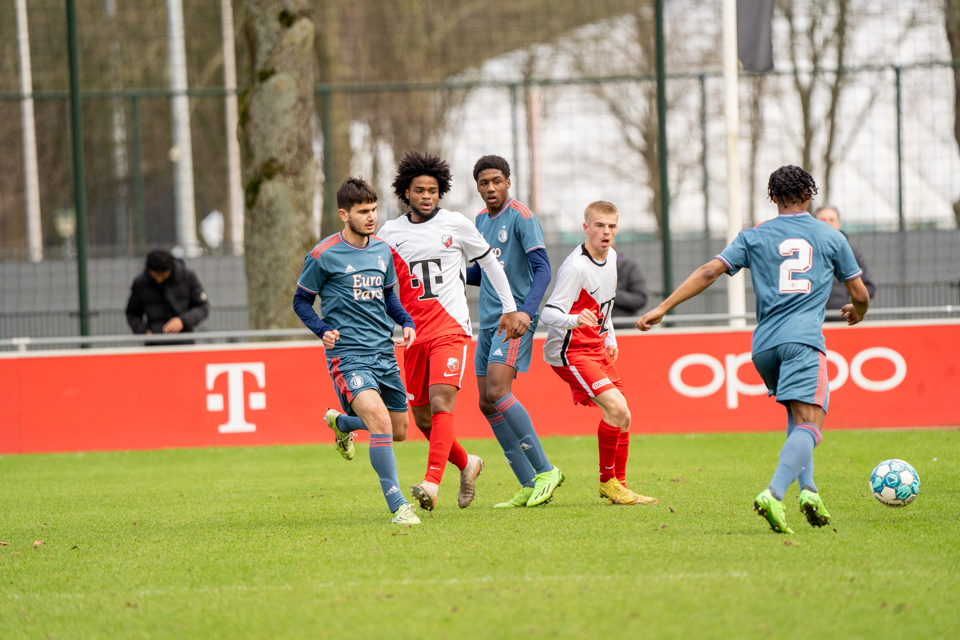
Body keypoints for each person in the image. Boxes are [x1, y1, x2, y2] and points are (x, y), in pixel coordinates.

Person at [638, 166, 870, 534]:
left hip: (763, 347)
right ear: (809, 195)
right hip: (803, 342)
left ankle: (809, 492)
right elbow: (859, 294)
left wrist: (662, 308)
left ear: (773, 198)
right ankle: (774, 493)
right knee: (813, 422)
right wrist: (858, 311)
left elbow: (708, 272)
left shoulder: (753, 236)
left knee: (798, 418)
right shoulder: (831, 236)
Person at [379, 150, 519, 513]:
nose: (427, 196)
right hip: (413, 337)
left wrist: (510, 307)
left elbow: (490, 262)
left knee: (443, 401)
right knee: (424, 420)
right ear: (405, 193)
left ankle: (431, 482)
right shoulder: (390, 233)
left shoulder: (455, 224)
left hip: (451, 329)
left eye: (433, 190)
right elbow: (379, 282)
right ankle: (467, 463)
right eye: (419, 190)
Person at [292, 177, 421, 526]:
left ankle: (341, 423)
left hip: (384, 353)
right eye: (363, 211)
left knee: (398, 431)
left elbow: (389, 296)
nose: (371, 217)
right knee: (379, 423)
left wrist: (406, 321)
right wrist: (322, 330)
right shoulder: (322, 255)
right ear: (343, 214)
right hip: (348, 355)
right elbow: (301, 301)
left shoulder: (381, 250)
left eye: (374, 210)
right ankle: (398, 507)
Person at [541, 200, 658, 506]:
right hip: (570, 351)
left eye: (612, 226)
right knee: (617, 410)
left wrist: (610, 337)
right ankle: (607, 482)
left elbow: (603, 307)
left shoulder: (613, 258)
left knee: (625, 416)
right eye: (599, 226)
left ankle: (618, 485)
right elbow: (549, 313)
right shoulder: (575, 267)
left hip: (595, 346)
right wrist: (574, 319)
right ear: (586, 228)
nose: (606, 232)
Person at [464, 155, 564, 508]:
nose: (490, 188)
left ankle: (546, 470)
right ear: (477, 187)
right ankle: (527, 481)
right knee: (485, 401)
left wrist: (526, 311)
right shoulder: (478, 221)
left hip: (514, 319)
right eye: (483, 183)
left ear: (508, 181)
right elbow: (482, 272)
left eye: (496, 181)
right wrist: (446, 272)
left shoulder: (522, 217)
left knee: (497, 389)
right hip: (488, 320)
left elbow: (542, 269)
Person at [125, 248, 209, 341]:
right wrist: (143, 331)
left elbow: (202, 307)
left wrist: (183, 321)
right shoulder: (140, 283)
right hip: (154, 343)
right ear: (149, 270)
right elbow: (132, 313)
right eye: (155, 275)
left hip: (184, 341)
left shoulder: (187, 277)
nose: (159, 279)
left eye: (163, 275)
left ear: (170, 268)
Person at [814, 206, 877, 319]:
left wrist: (854, 303)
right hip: (813, 319)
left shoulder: (852, 253)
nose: (827, 223)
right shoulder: (805, 251)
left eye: (831, 219)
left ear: (839, 224)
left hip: (843, 319)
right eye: (823, 220)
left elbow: (868, 286)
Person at [611, 246, 648, 317]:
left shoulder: (628, 266)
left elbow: (640, 299)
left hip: (623, 325)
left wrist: (611, 293)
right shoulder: (586, 266)